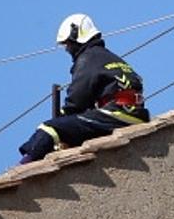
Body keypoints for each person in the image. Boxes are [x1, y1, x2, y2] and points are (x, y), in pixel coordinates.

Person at [19, 14, 149, 163]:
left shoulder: (87, 58)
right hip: (137, 116)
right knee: (73, 134)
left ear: (76, 35)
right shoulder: (112, 58)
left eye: (67, 43)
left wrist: (62, 118)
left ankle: (21, 169)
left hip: (116, 115)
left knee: (48, 129)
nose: (67, 48)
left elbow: (77, 101)